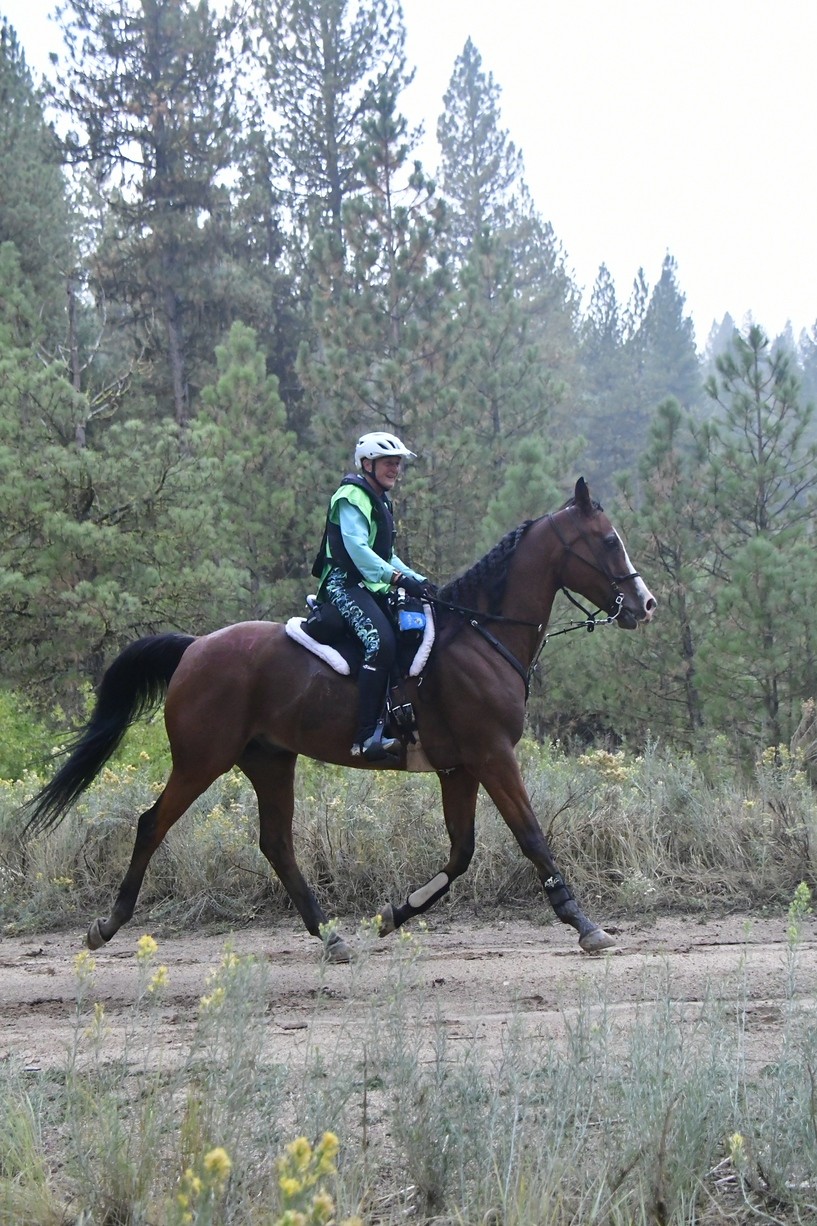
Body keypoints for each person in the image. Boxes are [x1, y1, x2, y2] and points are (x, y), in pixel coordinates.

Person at [313, 431, 434, 761]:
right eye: (388, 463)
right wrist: (397, 579)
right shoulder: (352, 495)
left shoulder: (379, 498)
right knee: (381, 642)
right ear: (367, 464)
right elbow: (358, 549)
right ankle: (366, 737)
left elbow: (386, 554)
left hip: (369, 584)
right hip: (343, 585)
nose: (394, 469)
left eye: (397, 464)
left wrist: (418, 580)